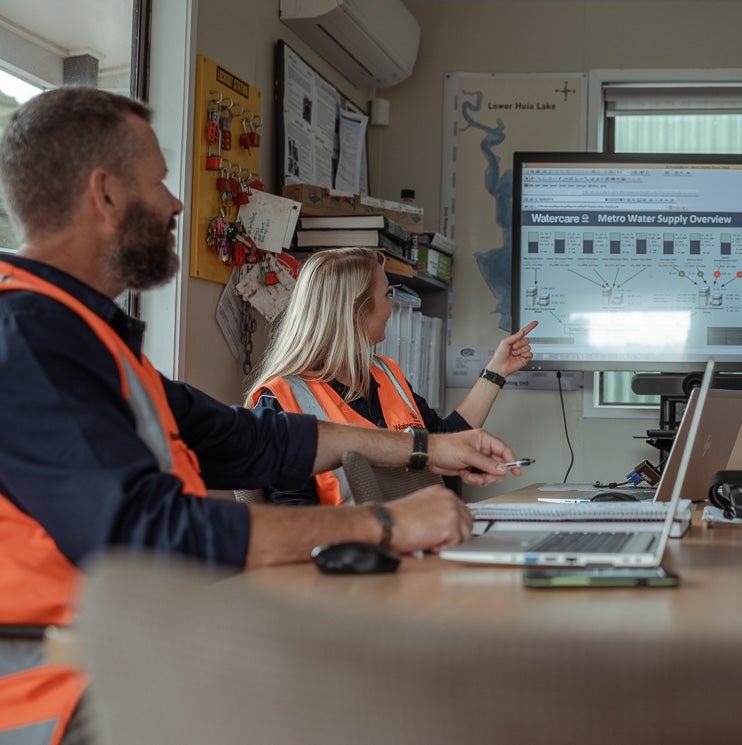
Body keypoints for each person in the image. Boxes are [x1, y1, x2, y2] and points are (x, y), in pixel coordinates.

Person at [0, 88, 517, 744]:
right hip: (60, 698)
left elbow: (251, 440)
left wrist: (424, 451)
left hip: (133, 655)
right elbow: (143, 531)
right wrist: (383, 522)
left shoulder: (84, 334)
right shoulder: (26, 341)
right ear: (105, 195)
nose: (176, 201)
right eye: (159, 181)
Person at [243, 247, 538, 505]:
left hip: (423, 537)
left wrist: (496, 371)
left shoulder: (385, 373)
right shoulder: (280, 401)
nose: (392, 305)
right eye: (386, 294)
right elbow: (294, 519)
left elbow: (443, 442)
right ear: (358, 311)